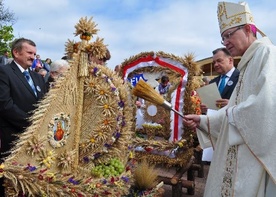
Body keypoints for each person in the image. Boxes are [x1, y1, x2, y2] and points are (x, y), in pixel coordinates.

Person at [184, 2, 276, 196]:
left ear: (247, 28)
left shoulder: (267, 54)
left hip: (253, 160)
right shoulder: (248, 63)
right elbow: (235, 108)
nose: (225, 42)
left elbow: (267, 107)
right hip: (239, 153)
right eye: (223, 37)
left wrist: (232, 112)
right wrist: (204, 120)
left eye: (228, 35)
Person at [0, 38, 46, 195]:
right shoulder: (4, 72)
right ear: (16, 52)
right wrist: (31, 124)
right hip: (14, 137)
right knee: (12, 185)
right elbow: (5, 104)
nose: (33, 57)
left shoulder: (39, 78)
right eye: (29, 53)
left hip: (36, 141)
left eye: (35, 53)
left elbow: (44, 105)